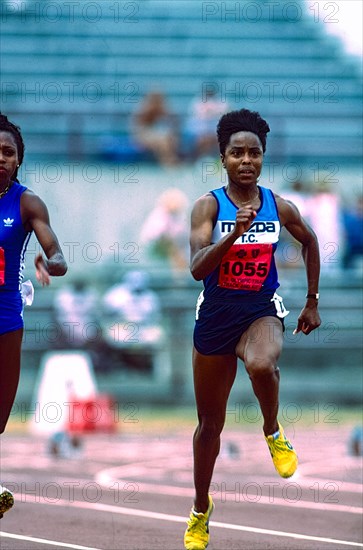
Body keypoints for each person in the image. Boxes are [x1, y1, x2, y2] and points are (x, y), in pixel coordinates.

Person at [184, 109, 321, 550]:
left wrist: (312, 301)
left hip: (260, 307)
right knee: (210, 426)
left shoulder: (278, 205)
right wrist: (232, 236)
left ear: (263, 158)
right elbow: (195, 267)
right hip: (216, 313)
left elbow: (311, 241)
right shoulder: (208, 205)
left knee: (262, 364)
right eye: (236, 153)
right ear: (222, 158)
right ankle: (201, 509)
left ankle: (272, 430)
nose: (246, 160)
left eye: (254, 153)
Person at [0, 114, 67, 518]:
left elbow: (58, 256)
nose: (1, 158)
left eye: (8, 152)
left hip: (6, 315)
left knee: (1, 417)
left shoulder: (27, 203)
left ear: (19, 160)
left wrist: (50, 262)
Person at [132, 90, 179, 166]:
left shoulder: (161, 107)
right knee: (162, 140)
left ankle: (171, 160)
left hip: (155, 134)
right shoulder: (144, 108)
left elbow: (173, 121)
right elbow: (138, 128)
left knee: (169, 138)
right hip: (142, 135)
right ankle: (168, 163)